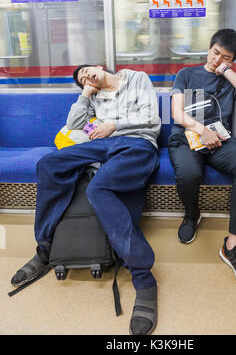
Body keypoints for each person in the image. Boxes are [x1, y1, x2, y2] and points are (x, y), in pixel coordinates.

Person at [11, 65, 161, 335]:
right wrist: (86, 94)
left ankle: (143, 276)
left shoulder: (137, 78)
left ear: (100, 67)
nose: (86, 78)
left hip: (137, 143)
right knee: (48, 164)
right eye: (82, 79)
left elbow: (151, 116)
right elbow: (73, 127)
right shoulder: (93, 97)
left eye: (88, 72)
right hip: (102, 145)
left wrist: (113, 125)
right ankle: (46, 249)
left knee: (98, 188)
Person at [168, 28, 236, 290]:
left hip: (220, 141)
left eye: (225, 57)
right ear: (209, 48)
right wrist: (202, 130)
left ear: (232, 61)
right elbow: (176, 113)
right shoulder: (186, 74)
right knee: (189, 173)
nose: (216, 59)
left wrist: (227, 71)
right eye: (215, 52)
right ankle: (191, 214)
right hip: (188, 137)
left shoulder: (228, 77)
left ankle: (233, 244)